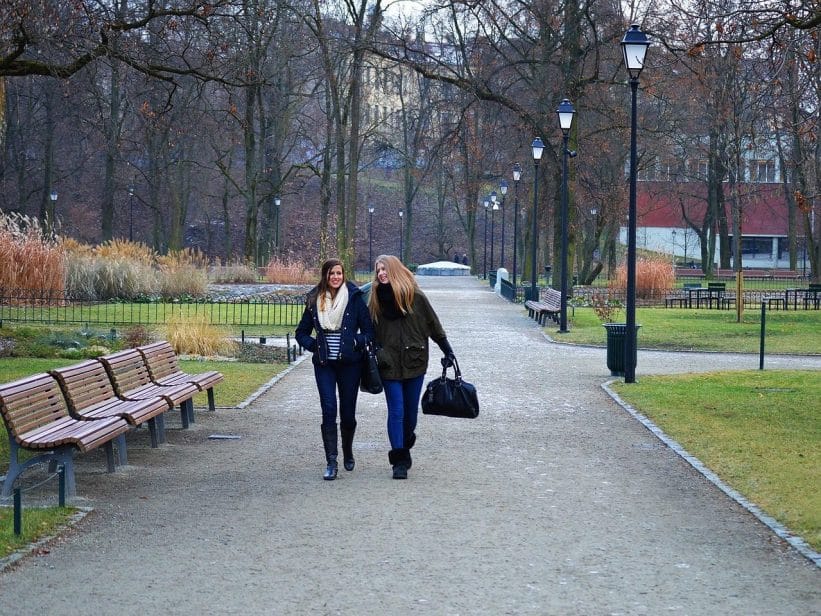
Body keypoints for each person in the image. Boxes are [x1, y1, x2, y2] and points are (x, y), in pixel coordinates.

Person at [367, 255, 456, 479]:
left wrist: (448, 351)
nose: (381, 274)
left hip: (415, 361)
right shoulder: (375, 300)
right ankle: (399, 460)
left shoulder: (416, 298)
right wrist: (377, 351)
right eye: (378, 271)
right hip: (389, 364)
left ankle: (405, 440)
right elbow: (370, 331)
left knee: (410, 412)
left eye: (384, 269)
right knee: (396, 410)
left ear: (394, 270)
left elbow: (434, 326)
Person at [296, 258, 374, 480]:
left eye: (339, 273)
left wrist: (356, 342)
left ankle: (347, 450)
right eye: (331, 274)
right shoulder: (314, 299)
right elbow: (301, 332)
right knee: (329, 409)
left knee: (347, 414)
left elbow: (369, 333)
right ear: (325, 275)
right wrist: (315, 346)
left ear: (343, 275)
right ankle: (331, 461)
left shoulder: (355, 298)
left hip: (350, 364)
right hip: (324, 365)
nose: (336, 277)